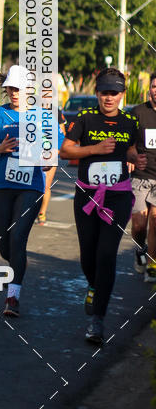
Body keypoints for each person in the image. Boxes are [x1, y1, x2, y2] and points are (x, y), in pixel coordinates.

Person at [60, 66, 145, 346]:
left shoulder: (130, 122)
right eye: (104, 93)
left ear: (122, 95)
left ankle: (97, 321)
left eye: (114, 93)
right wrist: (94, 150)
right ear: (97, 93)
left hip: (118, 197)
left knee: (107, 255)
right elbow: (66, 150)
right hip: (87, 196)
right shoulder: (85, 118)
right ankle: (94, 286)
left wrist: (136, 158)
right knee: (88, 255)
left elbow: (131, 148)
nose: (109, 98)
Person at [0, 65, 52, 318]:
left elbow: (53, 150)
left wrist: (46, 158)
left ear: (28, 90)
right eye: (10, 88)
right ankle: (18, 266)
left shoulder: (42, 117)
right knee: (5, 245)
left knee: (18, 237)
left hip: (31, 186)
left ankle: (13, 296)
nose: (14, 93)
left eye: (19, 88)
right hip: (1, 186)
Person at [129, 72, 156, 281]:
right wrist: (130, 156)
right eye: (155, 86)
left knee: (155, 221)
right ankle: (140, 249)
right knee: (139, 224)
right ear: (150, 90)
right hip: (140, 176)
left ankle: (151, 267)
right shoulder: (138, 112)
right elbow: (126, 142)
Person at [36, 108, 66, 225]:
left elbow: (62, 134)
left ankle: (41, 213)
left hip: (50, 152)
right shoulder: (30, 109)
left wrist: (54, 153)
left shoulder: (55, 111)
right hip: (32, 152)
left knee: (45, 185)